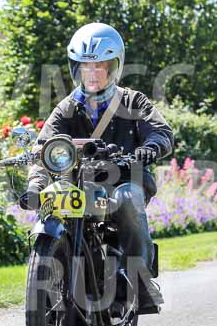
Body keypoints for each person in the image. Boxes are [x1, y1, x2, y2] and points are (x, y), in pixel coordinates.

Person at [19, 22, 174, 307]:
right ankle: (59, 273)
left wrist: (147, 150)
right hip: (79, 183)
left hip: (124, 179)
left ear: (115, 67)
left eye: (100, 66)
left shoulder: (131, 100)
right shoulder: (66, 108)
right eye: (85, 66)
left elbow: (161, 132)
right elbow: (44, 148)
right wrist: (35, 185)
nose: (92, 74)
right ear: (75, 68)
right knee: (55, 202)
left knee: (127, 199)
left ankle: (139, 280)